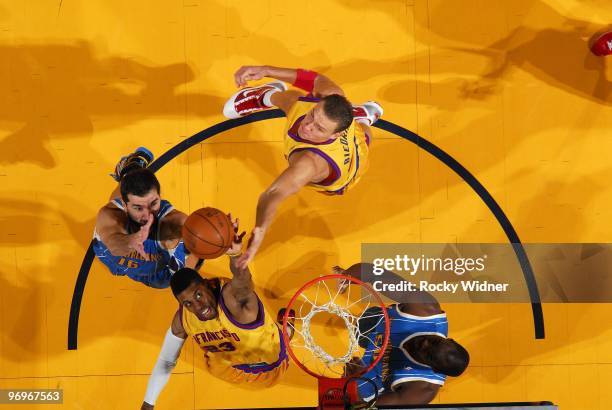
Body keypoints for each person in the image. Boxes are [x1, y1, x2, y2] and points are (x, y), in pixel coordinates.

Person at [222, 65, 383, 269]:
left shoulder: (310, 163)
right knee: (293, 102)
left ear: (334, 135)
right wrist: (265, 71)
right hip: (341, 128)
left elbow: (273, 193)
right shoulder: (330, 96)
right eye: (313, 116)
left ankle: (362, 116)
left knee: (366, 134)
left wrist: (259, 231)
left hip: (348, 171)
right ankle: (264, 96)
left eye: (319, 128)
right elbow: (314, 79)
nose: (308, 126)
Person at [140, 220, 289, 409]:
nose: (198, 306)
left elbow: (243, 282)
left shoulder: (232, 299)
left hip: (268, 368)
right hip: (229, 368)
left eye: (198, 295)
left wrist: (235, 254)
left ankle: (287, 330)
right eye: (188, 303)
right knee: (216, 360)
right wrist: (148, 404)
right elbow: (167, 360)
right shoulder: (183, 320)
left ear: (208, 284)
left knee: (274, 340)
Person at [336, 263, 470, 405]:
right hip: (377, 324)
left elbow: (363, 408)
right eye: (434, 341)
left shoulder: (421, 390)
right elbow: (372, 272)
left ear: (434, 369)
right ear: (450, 339)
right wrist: (346, 276)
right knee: (367, 321)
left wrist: (353, 385)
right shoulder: (425, 309)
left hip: (371, 377)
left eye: (428, 354)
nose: (424, 343)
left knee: (337, 398)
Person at [93, 147, 198, 289]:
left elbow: (198, 233)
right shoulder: (110, 215)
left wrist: (224, 245)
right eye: (138, 208)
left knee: (184, 276)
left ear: (160, 196)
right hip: (113, 258)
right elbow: (114, 246)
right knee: (123, 189)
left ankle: (131, 170)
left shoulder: (175, 222)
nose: (148, 214)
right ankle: (130, 167)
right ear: (125, 205)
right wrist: (132, 240)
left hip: (157, 271)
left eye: (154, 203)